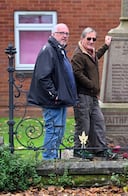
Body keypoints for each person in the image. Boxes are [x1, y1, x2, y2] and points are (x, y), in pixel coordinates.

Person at [27, 23, 78, 160]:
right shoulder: (48, 50)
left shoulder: (59, 50)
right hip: (52, 101)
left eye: (67, 34)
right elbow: (42, 77)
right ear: (53, 34)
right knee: (53, 130)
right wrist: (54, 94)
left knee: (59, 131)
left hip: (60, 100)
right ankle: (48, 160)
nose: (65, 36)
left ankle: (54, 158)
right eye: (62, 33)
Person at [71, 27, 117, 160]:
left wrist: (106, 46)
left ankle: (100, 149)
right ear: (82, 39)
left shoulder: (90, 53)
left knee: (98, 122)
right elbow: (77, 73)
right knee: (83, 124)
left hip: (92, 97)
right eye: (89, 38)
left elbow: (97, 56)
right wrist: (92, 85)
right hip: (82, 96)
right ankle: (79, 149)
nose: (91, 41)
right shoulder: (79, 55)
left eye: (93, 39)